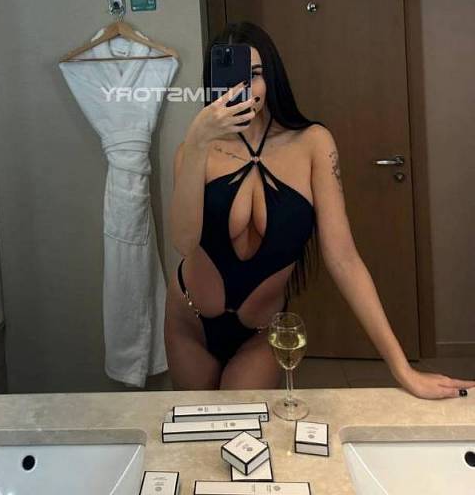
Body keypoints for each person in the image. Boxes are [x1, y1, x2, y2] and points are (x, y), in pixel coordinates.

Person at [164, 21, 475, 398]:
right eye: (230, 77)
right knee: (195, 428)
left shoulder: (313, 143)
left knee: (243, 422)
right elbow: (184, 242)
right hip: (190, 322)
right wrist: (198, 141)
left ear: (272, 77)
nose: (243, 88)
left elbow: (344, 258)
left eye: (255, 74)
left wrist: (401, 368)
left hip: (261, 331)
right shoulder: (193, 150)